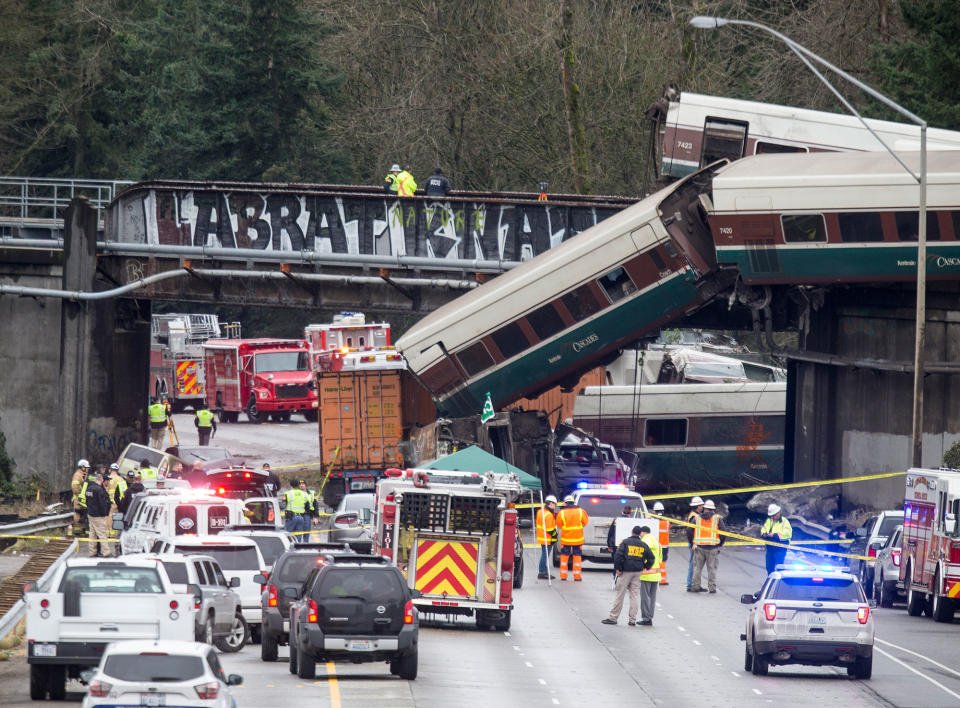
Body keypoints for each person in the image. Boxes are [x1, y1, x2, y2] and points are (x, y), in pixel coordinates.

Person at [601, 525, 655, 626]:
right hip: (638, 572)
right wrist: (645, 566)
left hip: (626, 571)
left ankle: (613, 618)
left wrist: (618, 569)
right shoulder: (643, 545)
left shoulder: (625, 542)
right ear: (640, 534)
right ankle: (632, 620)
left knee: (620, 594)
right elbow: (651, 558)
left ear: (632, 532)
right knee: (634, 596)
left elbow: (618, 556)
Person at [689, 499, 726, 593]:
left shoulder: (696, 518)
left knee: (697, 568)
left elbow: (689, 530)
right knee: (712, 569)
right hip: (713, 548)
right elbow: (723, 532)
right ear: (713, 509)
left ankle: (695, 586)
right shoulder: (717, 518)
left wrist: (692, 542)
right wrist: (720, 544)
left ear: (704, 508)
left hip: (699, 547)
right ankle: (712, 588)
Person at [555, 495, 589, 581]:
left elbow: (559, 525)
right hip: (578, 539)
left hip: (566, 539)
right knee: (577, 557)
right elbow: (585, 523)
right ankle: (577, 577)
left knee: (564, 557)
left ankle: (563, 576)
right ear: (573, 502)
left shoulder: (562, 512)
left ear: (565, 503)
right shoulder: (581, 511)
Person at [637, 525, 662, 625]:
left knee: (644, 597)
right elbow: (660, 558)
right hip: (656, 574)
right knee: (652, 597)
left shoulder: (644, 541)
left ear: (643, 532)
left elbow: (642, 557)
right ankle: (650, 617)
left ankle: (646, 618)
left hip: (646, 573)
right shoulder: (657, 541)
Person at [85, 471, 112, 557]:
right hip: (98, 515)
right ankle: (106, 552)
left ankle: (92, 552)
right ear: (101, 480)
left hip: (90, 513)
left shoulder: (89, 488)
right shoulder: (99, 490)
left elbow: (87, 501)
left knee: (92, 534)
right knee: (102, 533)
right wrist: (104, 513)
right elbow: (102, 503)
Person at [760, 503, 793, 574]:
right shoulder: (769, 521)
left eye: (774, 515)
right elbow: (764, 529)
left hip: (780, 549)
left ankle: (779, 583)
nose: (773, 517)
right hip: (770, 548)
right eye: (772, 516)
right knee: (769, 567)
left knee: (779, 567)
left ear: (778, 513)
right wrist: (764, 534)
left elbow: (788, 534)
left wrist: (775, 535)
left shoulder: (784, 522)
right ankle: (770, 582)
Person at [535, 495, 558, 579]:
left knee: (544, 555)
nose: (555, 506)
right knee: (545, 556)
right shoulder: (548, 515)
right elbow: (550, 529)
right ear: (550, 503)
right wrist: (555, 535)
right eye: (555, 504)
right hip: (547, 538)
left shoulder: (540, 511)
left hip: (542, 537)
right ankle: (542, 572)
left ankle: (544, 572)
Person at [607, 505, 634, 580]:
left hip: (617, 545)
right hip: (628, 546)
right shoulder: (632, 521)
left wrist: (609, 545)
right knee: (626, 563)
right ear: (630, 513)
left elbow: (610, 533)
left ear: (622, 511)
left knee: (616, 563)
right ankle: (625, 581)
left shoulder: (617, 520)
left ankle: (615, 580)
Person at [685, 496, 704, 590]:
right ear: (698, 506)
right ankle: (690, 585)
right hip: (694, 543)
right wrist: (693, 544)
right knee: (693, 565)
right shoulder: (694, 516)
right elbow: (689, 531)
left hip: (695, 543)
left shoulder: (694, 515)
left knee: (696, 565)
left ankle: (695, 585)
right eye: (701, 505)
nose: (702, 507)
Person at [652, 501, 670, 585]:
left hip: (655, 545)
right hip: (665, 546)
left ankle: (655, 578)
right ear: (662, 511)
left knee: (655, 561)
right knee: (663, 562)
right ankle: (662, 579)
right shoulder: (667, 521)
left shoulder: (653, 521)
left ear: (654, 511)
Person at [70, 459, 90, 536]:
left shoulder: (84, 475)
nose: (88, 469)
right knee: (78, 515)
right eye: (86, 467)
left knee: (83, 515)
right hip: (78, 499)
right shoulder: (77, 475)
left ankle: (82, 530)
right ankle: (77, 531)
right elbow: (75, 487)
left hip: (83, 499)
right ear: (82, 467)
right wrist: (81, 494)